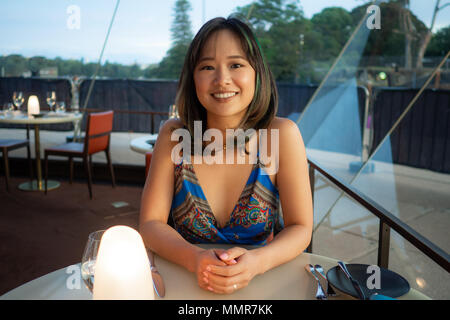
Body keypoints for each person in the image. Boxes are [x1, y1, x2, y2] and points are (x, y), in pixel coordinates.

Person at [139, 16, 313, 294]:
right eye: (207, 67)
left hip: (263, 286)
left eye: (236, 65)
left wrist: (256, 263)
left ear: (257, 73)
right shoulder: (173, 135)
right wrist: (194, 258)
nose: (222, 80)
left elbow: (301, 227)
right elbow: (150, 224)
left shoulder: (283, 134)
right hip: (185, 282)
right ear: (192, 77)